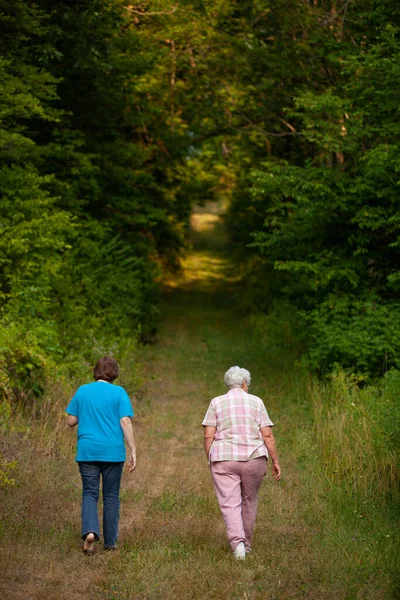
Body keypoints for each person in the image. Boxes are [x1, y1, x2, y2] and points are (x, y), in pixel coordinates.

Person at [202, 366, 281, 560]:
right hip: (254, 458)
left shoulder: (216, 402)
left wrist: (210, 458)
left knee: (230, 503)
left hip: (224, 458)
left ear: (229, 384)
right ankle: (246, 544)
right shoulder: (257, 402)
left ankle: (238, 545)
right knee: (249, 499)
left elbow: (208, 434)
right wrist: (275, 460)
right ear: (245, 383)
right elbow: (267, 434)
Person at [66, 355, 136, 554]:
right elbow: (125, 422)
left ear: (96, 371)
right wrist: (133, 449)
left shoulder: (82, 391)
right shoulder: (119, 392)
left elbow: (71, 421)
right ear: (114, 373)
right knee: (111, 495)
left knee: (89, 493)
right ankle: (110, 542)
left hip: (87, 451)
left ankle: (89, 532)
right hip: (112, 452)